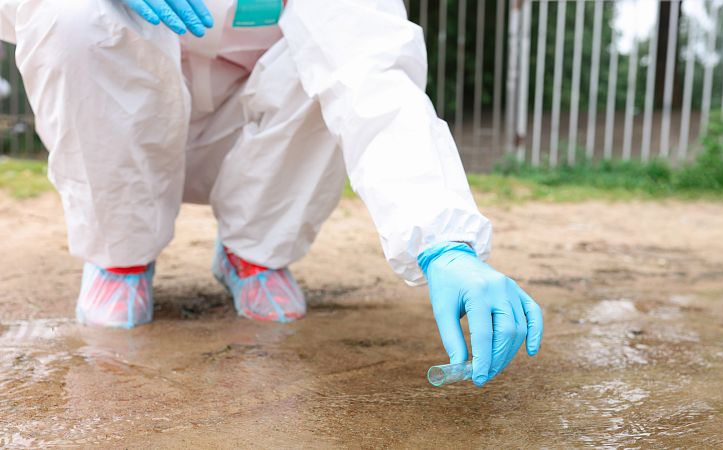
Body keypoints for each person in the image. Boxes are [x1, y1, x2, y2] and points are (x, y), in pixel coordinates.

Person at [0, 0, 542, 387]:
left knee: (333, 53)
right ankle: (121, 254)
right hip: (123, 129)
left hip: (251, 140)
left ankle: (254, 252)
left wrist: (444, 240)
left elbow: (371, 72)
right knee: (66, 9)